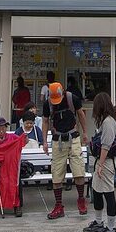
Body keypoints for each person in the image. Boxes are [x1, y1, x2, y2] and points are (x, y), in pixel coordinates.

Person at [42, 81, 88, 219]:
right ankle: (58, 205)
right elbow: (45, 121)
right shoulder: (47, 103)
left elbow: (81, 114)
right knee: (56, 174)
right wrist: (44, 141)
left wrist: (85, 132)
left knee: (79, 171)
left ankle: (81, 199)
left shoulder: (72, 98)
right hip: (57, 140)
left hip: (73, 137)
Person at [84, 93, 116, 232]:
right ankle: (99, 222)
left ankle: (111, 228)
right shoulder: (106, 120)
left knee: (108, 193)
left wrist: (101, 165)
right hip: (102, 160)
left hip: (106, 161)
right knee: (97, 191)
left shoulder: (109, 122)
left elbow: (106, 145)